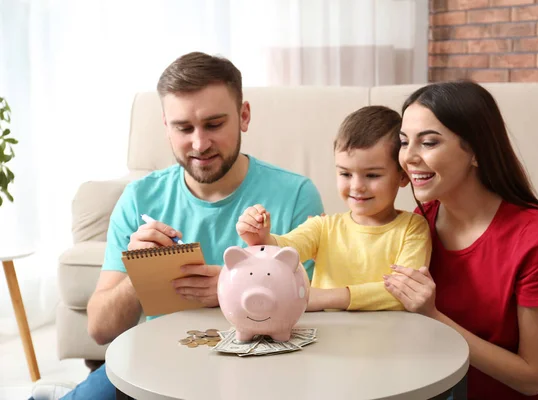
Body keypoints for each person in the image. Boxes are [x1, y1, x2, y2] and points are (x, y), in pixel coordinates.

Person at [31, 51, 324, 400]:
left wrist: (231, 288)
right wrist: (139, 277)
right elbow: (99, 329)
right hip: (152, 368)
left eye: (214, 124)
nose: (199, 144)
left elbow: (313, 315)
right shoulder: (140, 198)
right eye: (184, 128)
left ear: (243, 116)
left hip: (258, 369)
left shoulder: (295, 195)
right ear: (166, 127)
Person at [383, 80, 538, 399]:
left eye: (428, 143)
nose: (409, 158)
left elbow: (532, 378)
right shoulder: (420, 225)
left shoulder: (537, 238)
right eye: (404, 142)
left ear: (476, 152)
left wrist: (433, 316)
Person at [236, 106, 431, 312]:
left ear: (403, 176)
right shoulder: (323, 227)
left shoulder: (413, 228)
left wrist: (327, 297)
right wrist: (261, 238)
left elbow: (406, 294)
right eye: (346, 174)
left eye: (372, 175)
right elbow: (286, 249)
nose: (356, 186)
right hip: (327, 336)